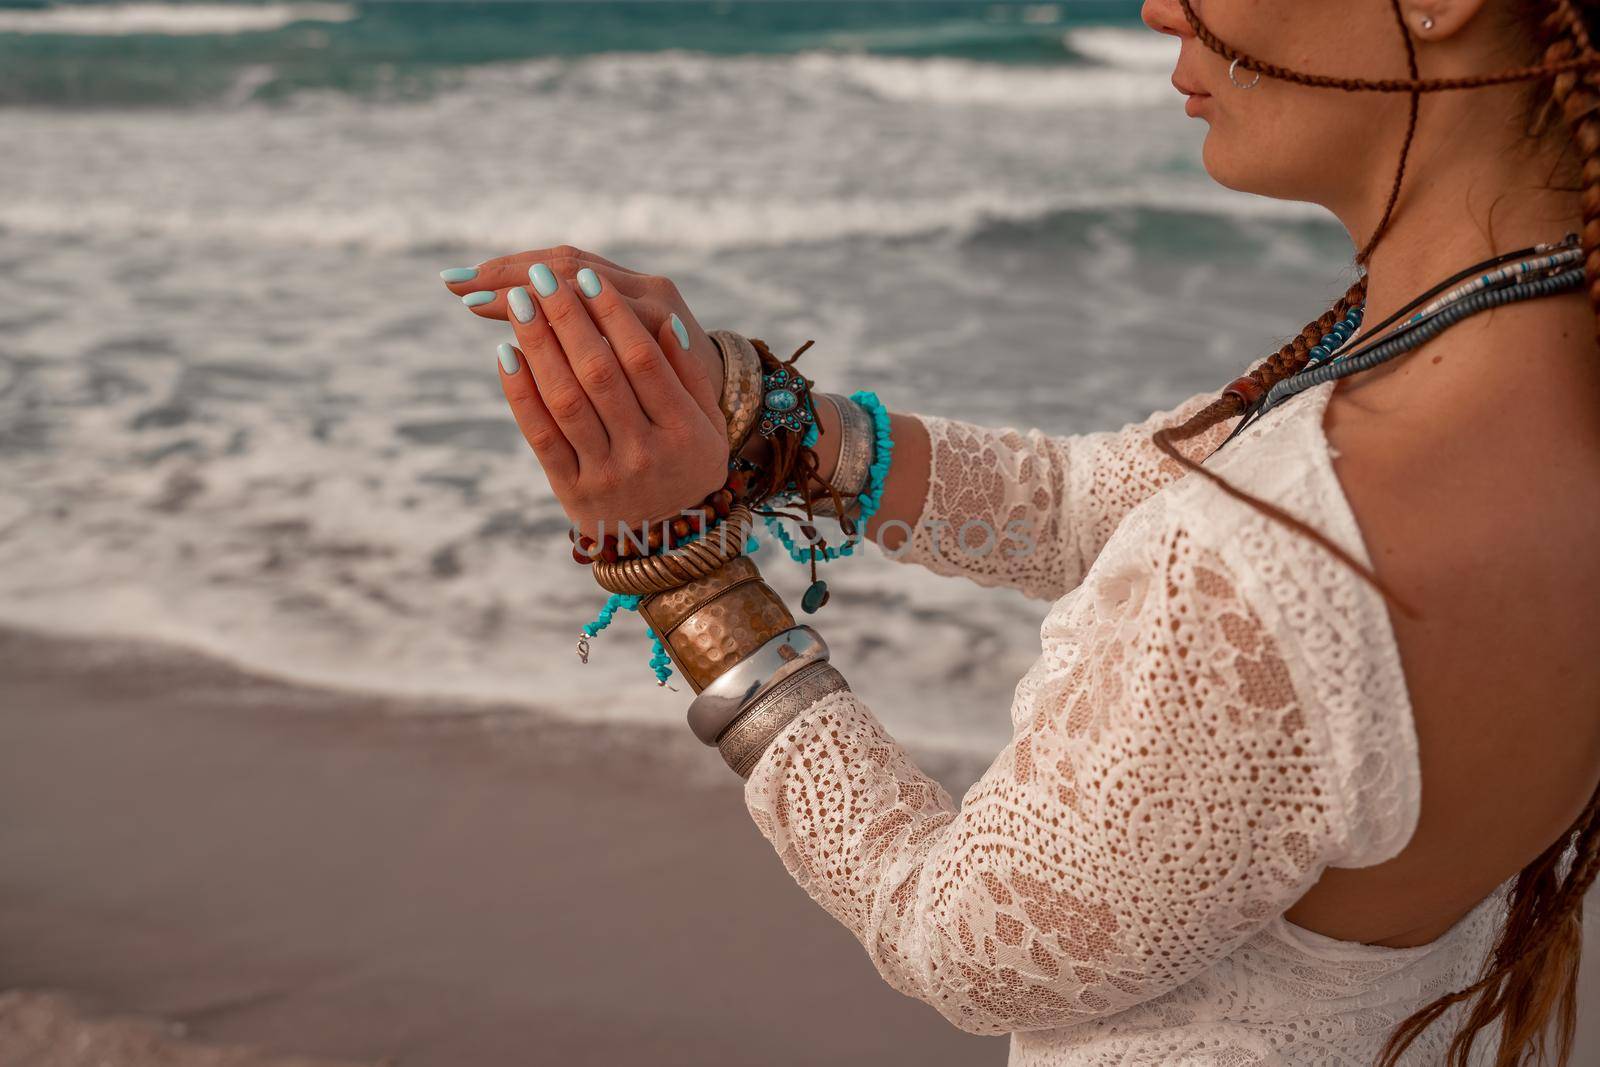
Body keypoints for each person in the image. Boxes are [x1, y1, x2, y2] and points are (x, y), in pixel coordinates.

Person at [438, 1, 1600, 1062]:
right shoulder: (1512, 362)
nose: (1159, 7)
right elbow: (1087, 497)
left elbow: (955, 934)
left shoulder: (1270, 559)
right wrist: (764, 417)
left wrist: (685, 578)